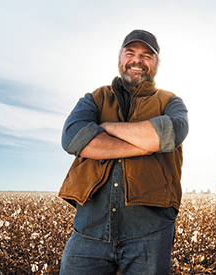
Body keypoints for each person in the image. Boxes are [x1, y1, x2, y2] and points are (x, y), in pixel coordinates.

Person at [58, 29, 188, 275]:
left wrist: (106, 128)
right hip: (89, 230)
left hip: (150, 231)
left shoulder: (170, 101)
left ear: (157, 63)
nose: (137, 60)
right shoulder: (95, 98)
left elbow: (171, 133)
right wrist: (145, 146)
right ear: (120, 58)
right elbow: (73, 137)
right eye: (130, 53)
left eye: (147, 55)